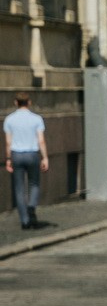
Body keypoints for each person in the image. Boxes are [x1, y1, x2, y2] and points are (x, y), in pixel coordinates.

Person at [4, 92, 50, 231]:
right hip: (32, 154)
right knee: (34, 183)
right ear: (29, 102)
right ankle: (31, 207)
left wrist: (8, 159)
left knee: (19, 188)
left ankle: (24, 220)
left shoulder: (9, 119)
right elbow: (41, 140)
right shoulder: (36, 119)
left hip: (17, 154)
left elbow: (8, 142)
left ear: (16, 103)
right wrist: (45, 157)